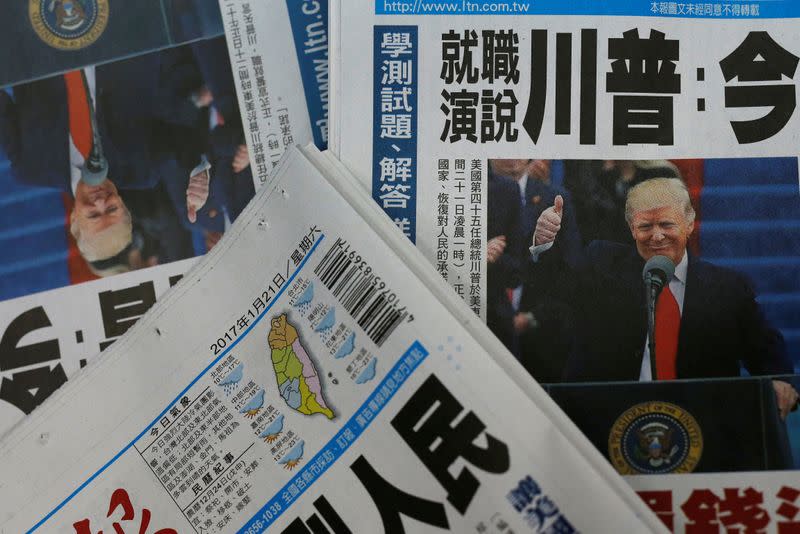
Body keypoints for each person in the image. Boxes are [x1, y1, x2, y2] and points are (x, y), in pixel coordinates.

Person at [531, 177, 799, 419]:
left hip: (702, 427)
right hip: (609, 423)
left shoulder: (728, 287)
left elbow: (765, 349)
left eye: (667, 224)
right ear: (631, 228)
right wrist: (544, 244)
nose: (656, 236)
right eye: (645, 226)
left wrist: (780, 381)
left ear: (690, 224)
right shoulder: (600, 264)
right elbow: (556, 286)